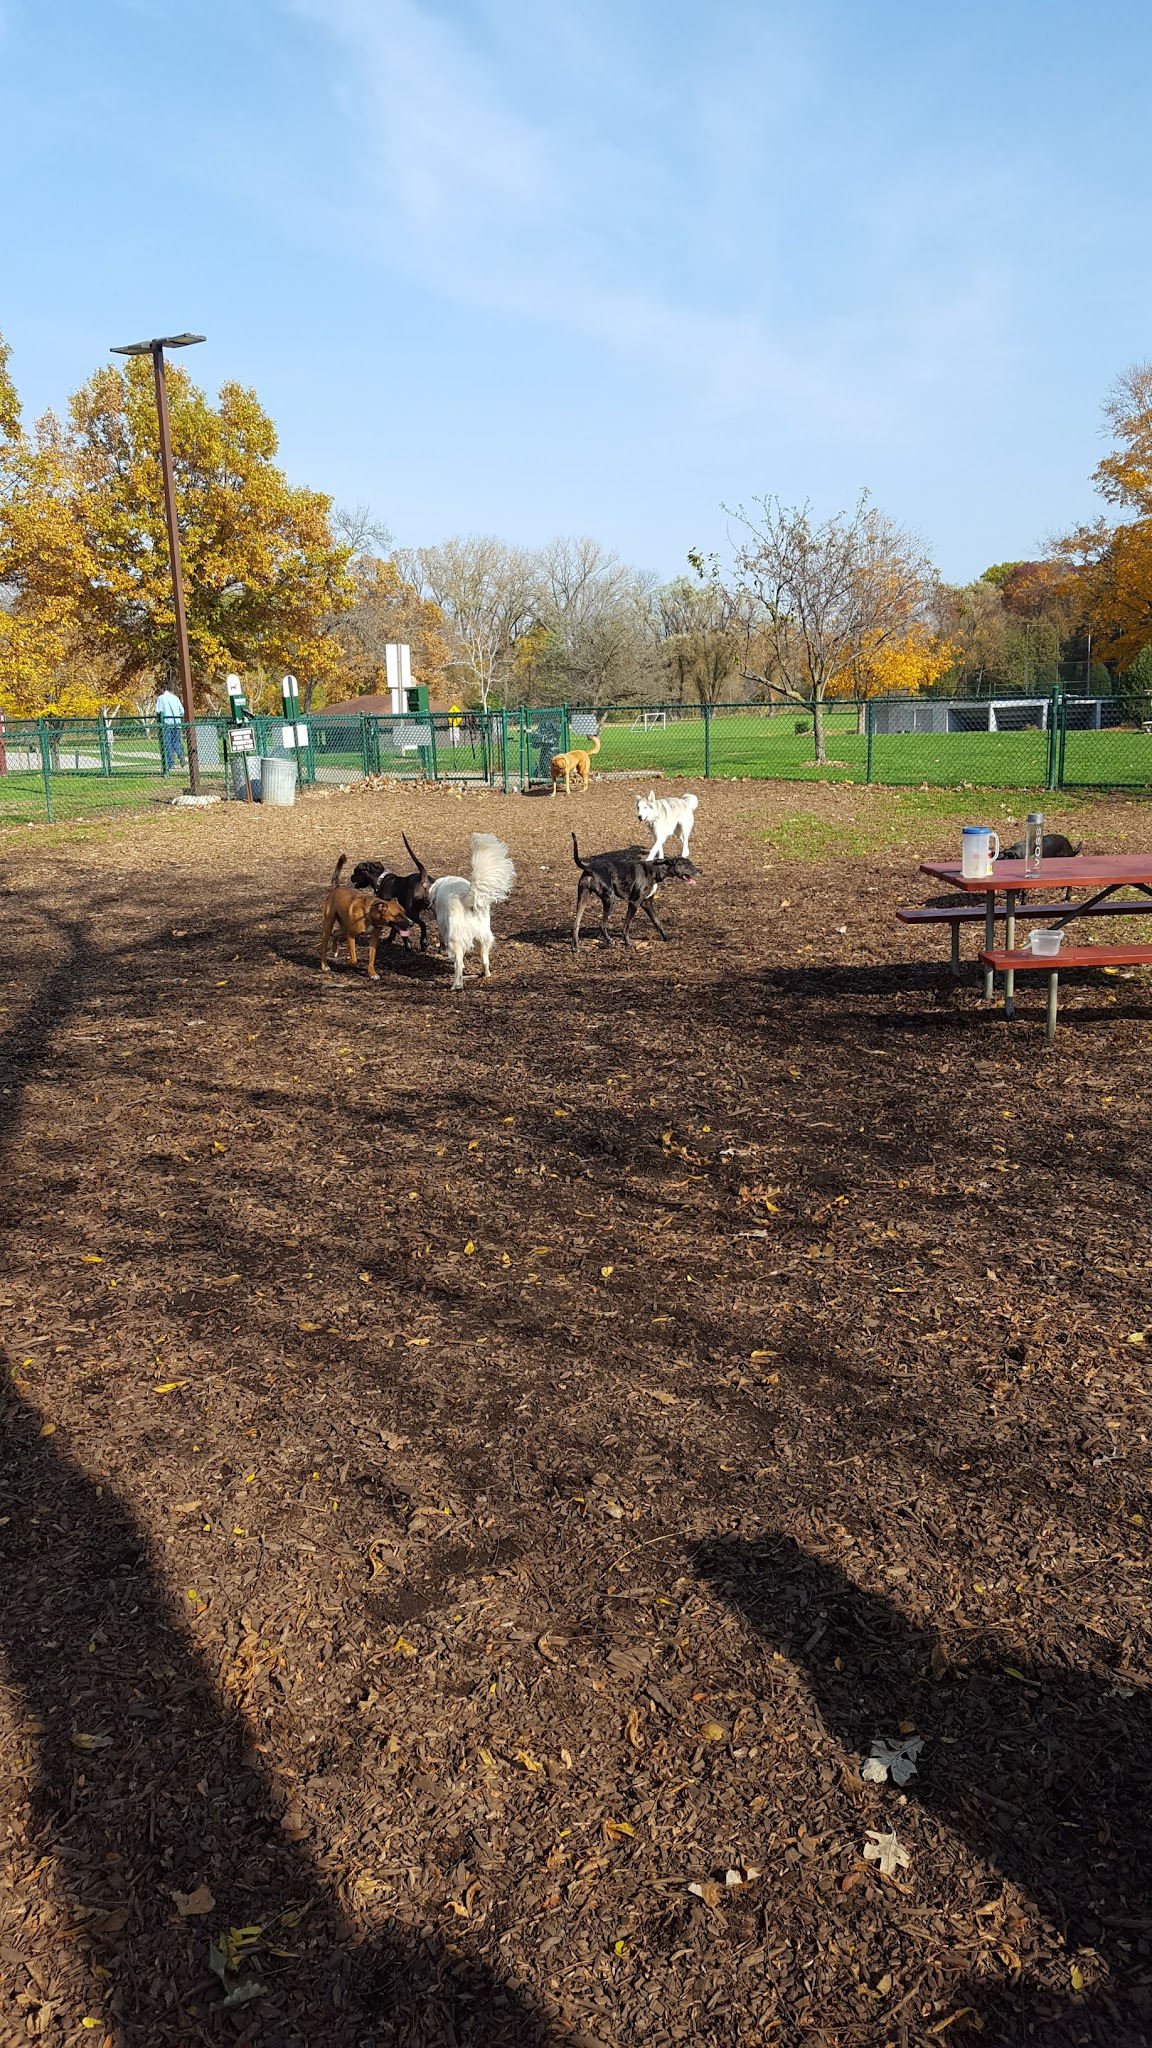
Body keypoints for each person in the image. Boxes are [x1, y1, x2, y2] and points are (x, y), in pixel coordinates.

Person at [155, 685, 186, 773]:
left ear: (163, 689)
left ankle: (170, 763)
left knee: (167, 744)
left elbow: (158, 711)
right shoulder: (175, 698)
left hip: (167, 724)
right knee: (176, 742)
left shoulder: (161, 698)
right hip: (177, 724)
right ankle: (180, 755)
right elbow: (182, 711)